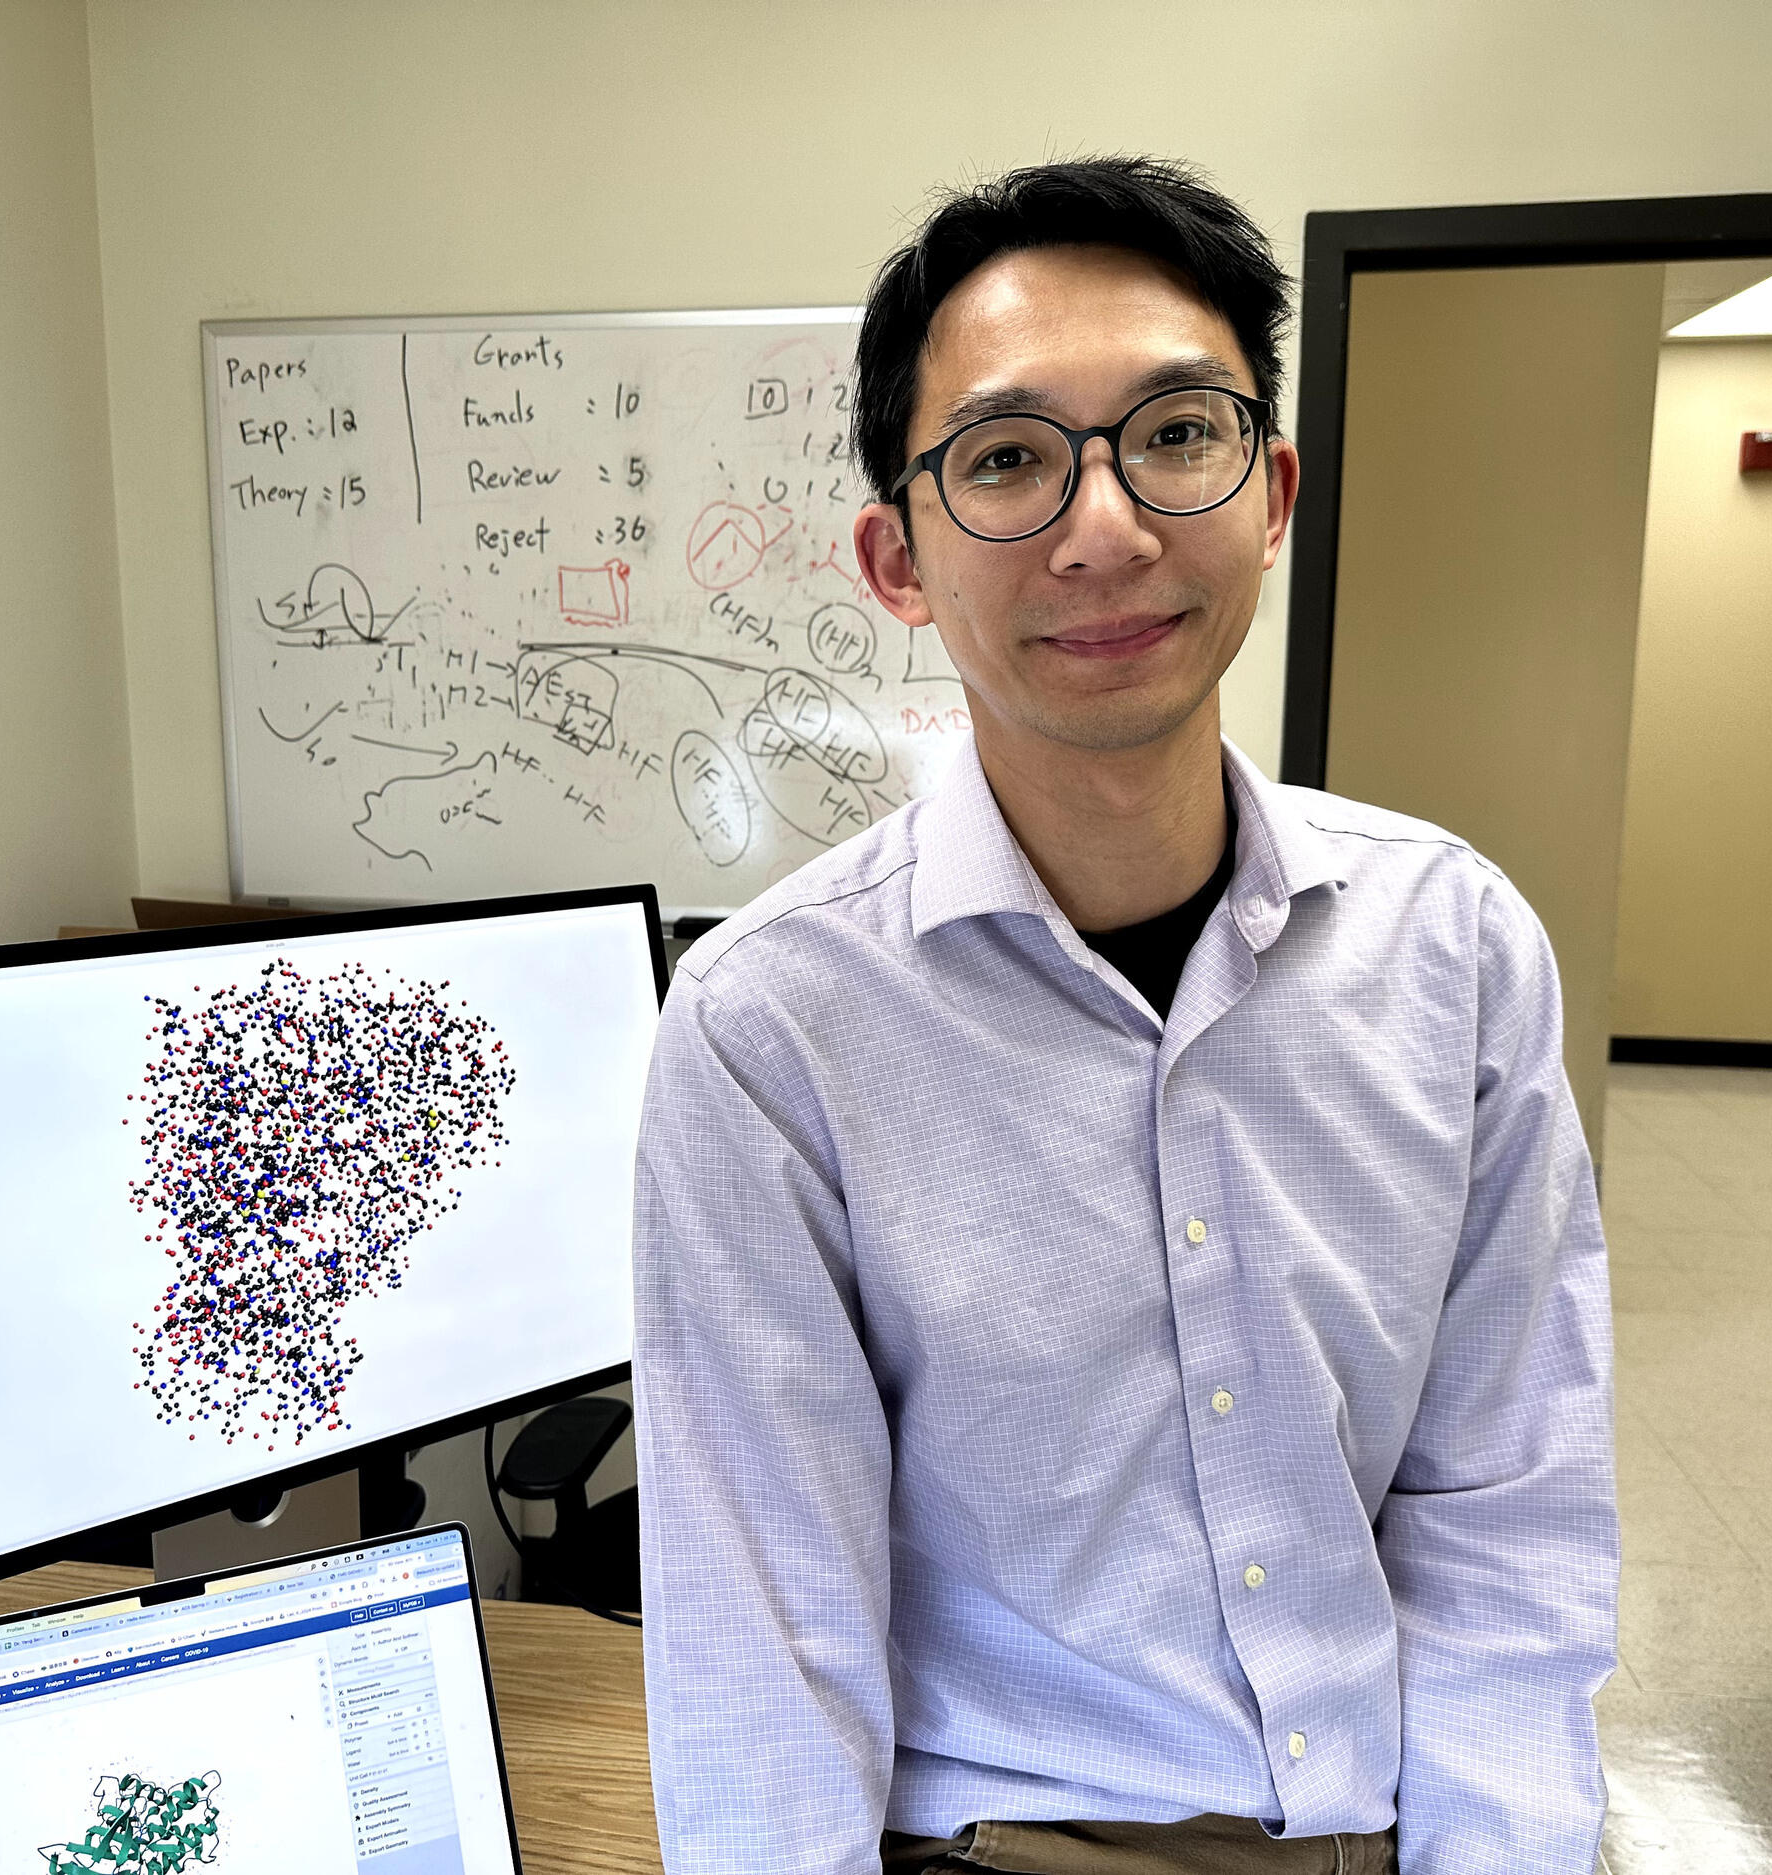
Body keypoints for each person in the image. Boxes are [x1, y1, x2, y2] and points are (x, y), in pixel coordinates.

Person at [631, 156, 1617, 1875]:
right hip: (1004, 1847)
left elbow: (1506, 1511)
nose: (1106, 528)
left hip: (1401, 1828)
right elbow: (762, 1629)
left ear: (1274, 488)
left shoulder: (1453, 944)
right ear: (900, 558)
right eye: (1007, 458)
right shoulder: (769, 1028)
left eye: (1176, 433)